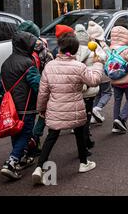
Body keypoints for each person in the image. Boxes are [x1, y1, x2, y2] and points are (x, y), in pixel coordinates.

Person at [32, 32, 103, 185]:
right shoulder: (79, 66)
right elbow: (94, 81)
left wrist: (41, 109)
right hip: (75, 108)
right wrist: (98, 64)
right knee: (79, 132)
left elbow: (43, 92)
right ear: (75, 50)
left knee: (51, 136)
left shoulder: (50, 66)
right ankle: (84, 163)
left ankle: (39, 167)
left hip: (55, 109)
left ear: (60, 48)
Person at [0, 31, 41, 180]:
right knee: (26, 132)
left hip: (11, 106)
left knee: (15, 132)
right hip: (26, 106)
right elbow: (36, 84)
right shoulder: (28, 63)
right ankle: (12, 161)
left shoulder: (5, 63)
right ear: (26, 45)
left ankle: (20, 158)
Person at [17, 21, 54, 158]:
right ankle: (35, 138)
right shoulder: (42, 47)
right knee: (43, 113)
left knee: (25, 117)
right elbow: (50, 65)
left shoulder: (18, 48)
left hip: (22, 87)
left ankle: (27, 146)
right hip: (40, 84)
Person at [109, 26, 128, 134]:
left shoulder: (110, 49)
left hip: (114, 79)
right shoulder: (126, 50)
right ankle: (121, 118)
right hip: (125, 80)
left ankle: (115, 125)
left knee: (117, 100)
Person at [75, 25, 100, 150]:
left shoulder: (73, 51)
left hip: (78, 88)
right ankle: (86, 142)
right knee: (87, 116)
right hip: (90, 88)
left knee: (80, 118)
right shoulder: (92, 49)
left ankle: (84, 142)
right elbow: (102, 59)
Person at [88, 21, 111, 123]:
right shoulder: (102, 45)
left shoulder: (86, 45)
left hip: (91, 74)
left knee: (96, 94)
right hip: (103, 73)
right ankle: (97, 109)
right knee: (107, 92)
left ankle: (93, 116)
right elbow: (108, 58)